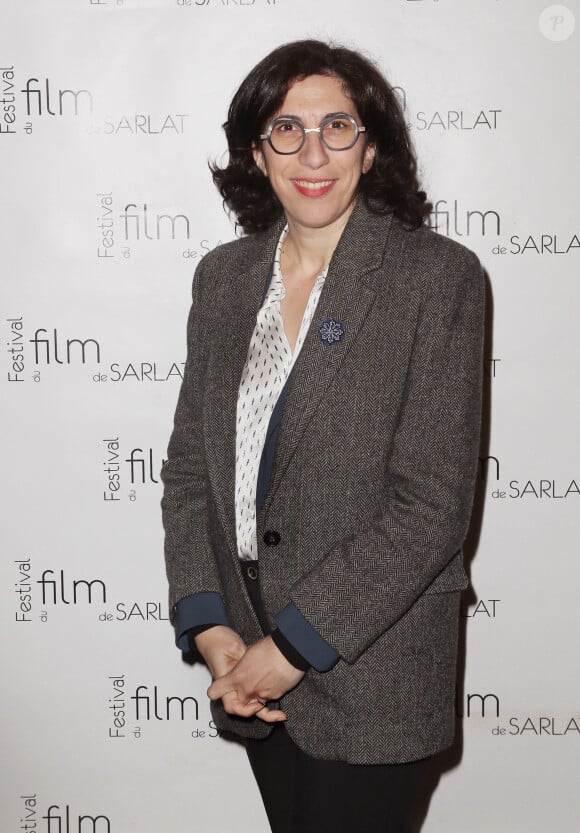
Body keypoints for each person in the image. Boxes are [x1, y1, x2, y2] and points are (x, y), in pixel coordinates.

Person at [160, 39, 485, 833]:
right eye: (286, 128)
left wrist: (292, 646)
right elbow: (191, 472)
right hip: (247, 663)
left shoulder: (437, 280)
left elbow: (431, 506)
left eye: (337, 127)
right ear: (255, 151)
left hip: (370, 668)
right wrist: (215, 633)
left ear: (370, 148)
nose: (313, 152)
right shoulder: (224, 278)